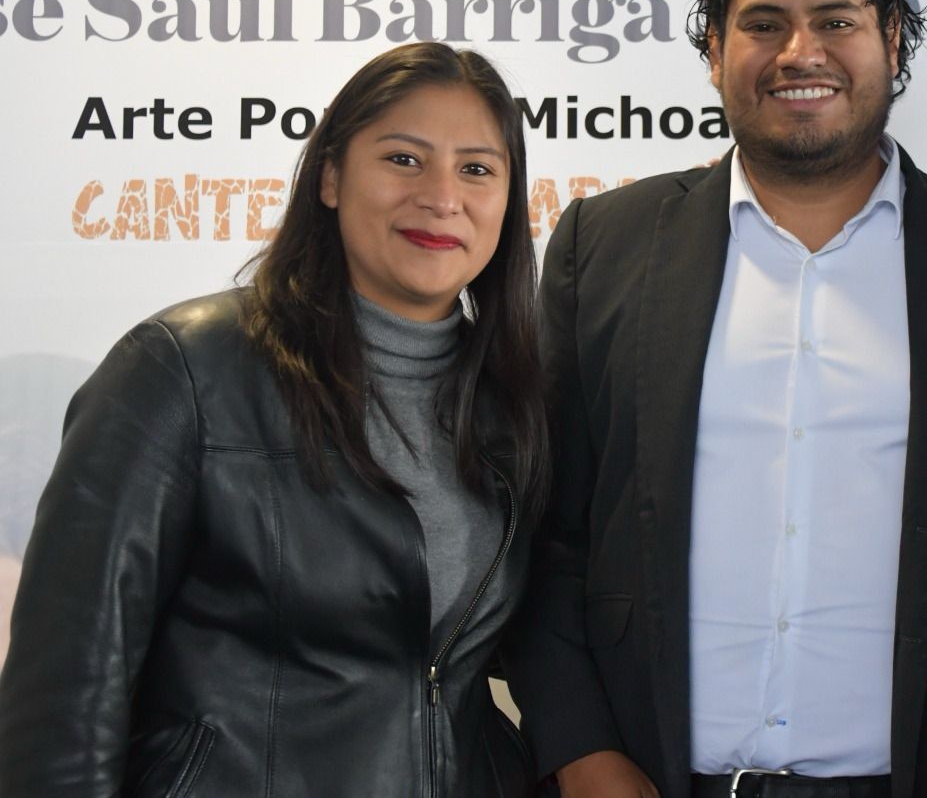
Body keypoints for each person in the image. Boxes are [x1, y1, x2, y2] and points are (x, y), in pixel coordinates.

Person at [503, 0, 927, 798]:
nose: (799, 53)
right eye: (763, 24)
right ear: (713, 50)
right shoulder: (602, 245)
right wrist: (582, 755)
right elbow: (544, 533)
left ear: (891, 40)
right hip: (650, 779)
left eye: (835, 22)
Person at [0, 42, 547, 797]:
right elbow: (65, 692)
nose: (442, 197)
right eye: (403, 159)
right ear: (330, 177)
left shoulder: (516, 403)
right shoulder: (181, 369)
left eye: (477, 169)